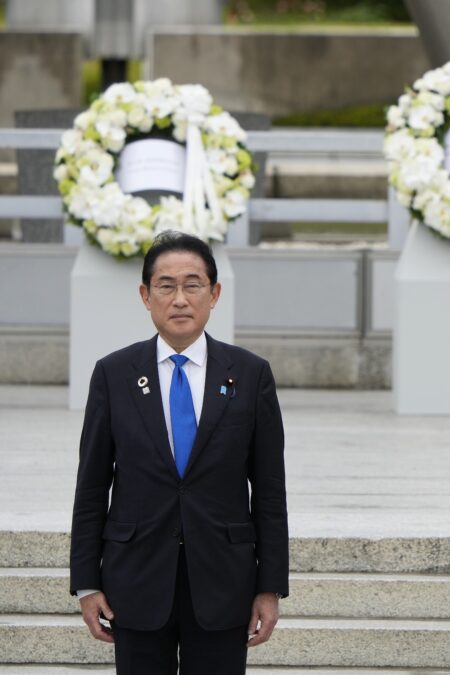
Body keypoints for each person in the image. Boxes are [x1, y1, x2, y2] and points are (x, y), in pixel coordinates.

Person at [70, 231, 289, 674]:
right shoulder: (113, 374)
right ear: (145, 296)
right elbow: (92, 486)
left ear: (214, 293)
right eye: (166, 286)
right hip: (135, 579)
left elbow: (269, 491)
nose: (180, 299)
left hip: (224, 582)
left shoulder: (250, 374)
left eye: (193, 284)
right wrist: (86, 583)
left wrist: (270, 586)